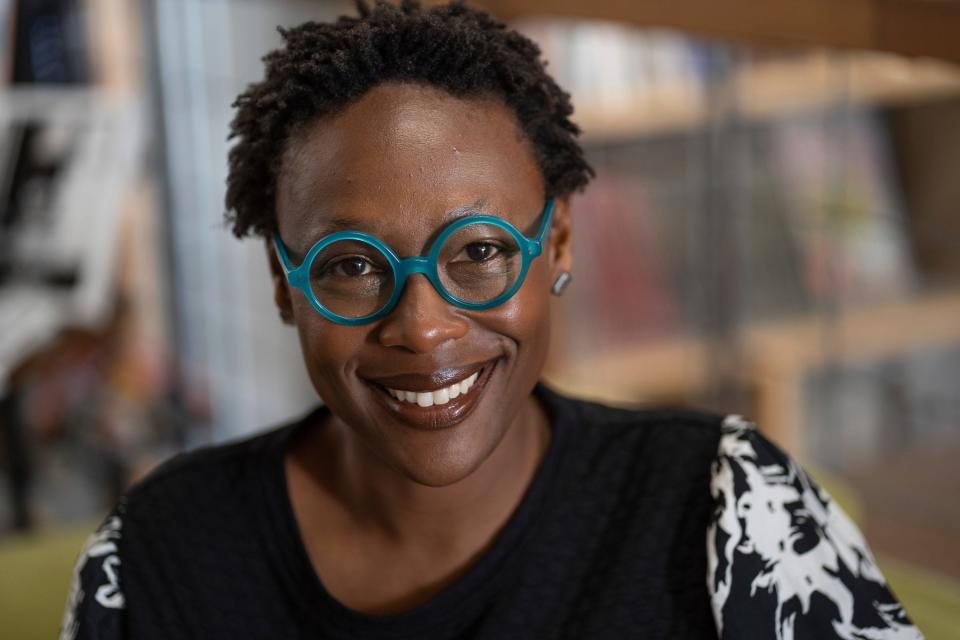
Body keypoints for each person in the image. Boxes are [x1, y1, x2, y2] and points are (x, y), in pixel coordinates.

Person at [61, 2, 922, 638]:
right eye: (353, 266)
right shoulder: (158, 561)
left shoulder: (723, 514)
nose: (425, 328)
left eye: (477, 251)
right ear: (285, 287)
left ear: (556, 245)